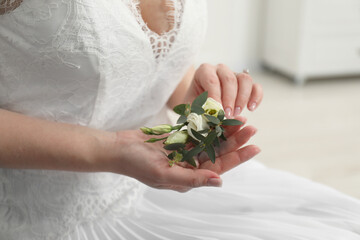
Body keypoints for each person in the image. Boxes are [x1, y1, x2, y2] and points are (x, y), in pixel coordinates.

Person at [0, 1, 359, 239]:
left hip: (155, 188)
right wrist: (110, 149)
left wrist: (200, 96)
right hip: (40, 221)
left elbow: (141, 60)